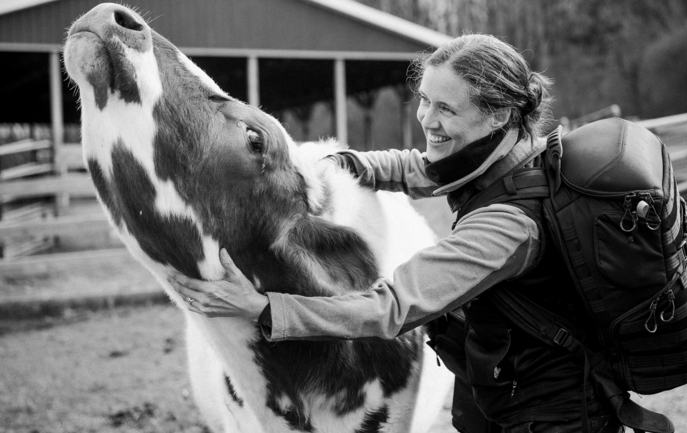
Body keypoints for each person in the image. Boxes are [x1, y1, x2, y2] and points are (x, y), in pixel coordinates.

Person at [168, 34, 623, 433]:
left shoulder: (509, 225)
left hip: (553, 415)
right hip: (524, 391)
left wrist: (267, 309)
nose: (427, 118)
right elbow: (418, 167)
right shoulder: (511, 157)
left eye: (446, 108)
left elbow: (391, 308)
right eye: (424, 99)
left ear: (498, 115)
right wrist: (339, 164)